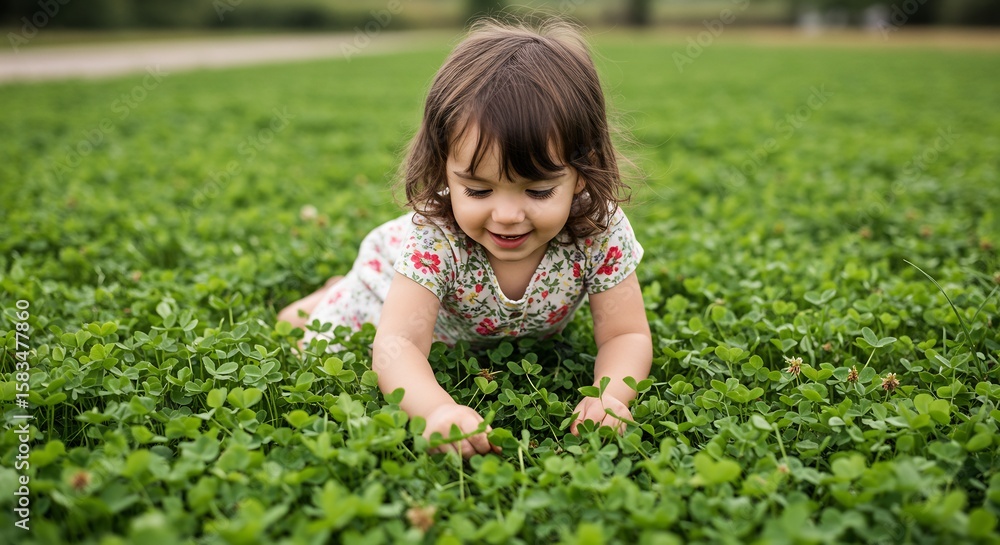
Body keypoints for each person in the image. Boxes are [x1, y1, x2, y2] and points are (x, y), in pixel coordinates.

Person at [278, 18, 652, 459]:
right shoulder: (436, 238)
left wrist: (610, 395)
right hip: (390, 283)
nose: (507, 216)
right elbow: (398, 344)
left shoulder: (598, 229)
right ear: (443, 168)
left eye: (538, 191)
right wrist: (436, 410)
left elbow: (626, 333)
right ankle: (332, 293)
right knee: (308, 339)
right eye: (477, 190)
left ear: (583, 170)